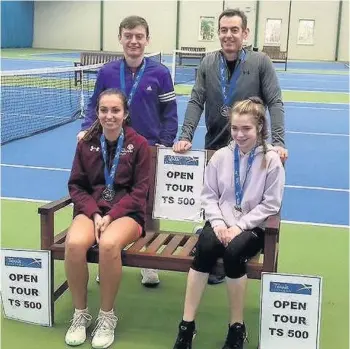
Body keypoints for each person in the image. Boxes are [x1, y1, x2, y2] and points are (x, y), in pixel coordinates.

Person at [173, 8, 287, 284]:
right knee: (214, 202)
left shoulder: (261, 62)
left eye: (234, 30)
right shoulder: (208, 62)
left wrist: (279, 142)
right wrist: (185, 134)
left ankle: (235, 254)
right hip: (215, 146)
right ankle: (212, 257)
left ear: (245, 33)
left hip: (251, 148)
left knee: (244, 204)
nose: (228, 35)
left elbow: (275, 102)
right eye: (223, 30)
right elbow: (196, 100)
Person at [172, 97, 285, 349]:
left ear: (260, 128)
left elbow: (271, 205)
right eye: (235, 128)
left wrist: (240, 226)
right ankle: (186, 327)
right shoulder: (222, 156)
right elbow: (209, 196)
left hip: (251, 228)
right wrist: (219, 223)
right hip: (221, 223)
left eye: (246, 128)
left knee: (234, 254)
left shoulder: (272, 161)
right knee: (205, 249)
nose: (240, 134)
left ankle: (236, 329)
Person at [78, 15, 178, 286]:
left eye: (139, 36)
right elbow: (92, 106)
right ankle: (108, 257)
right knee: (109, 202)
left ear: (147, 40)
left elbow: (169, 112)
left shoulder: (160, 73)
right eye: (128, 35)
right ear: (120, 38)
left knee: (149, 206)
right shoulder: (107, 72)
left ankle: (148, 260)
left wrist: (166, 143)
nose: (134, 41)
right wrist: (88, 130)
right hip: (108, 150)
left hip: (148, 151)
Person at [65, 89, 151, 348]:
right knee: (74, 244)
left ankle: (106, 316)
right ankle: (80, 314)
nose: (109, 115)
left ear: (125, 114)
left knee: (109, 244)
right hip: (91, 211)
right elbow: (76, 186)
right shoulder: (86, 143)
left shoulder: (139, 144)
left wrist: (111, 214)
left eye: (115, 110)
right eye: (104, 110)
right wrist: (93, 212)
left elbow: (140, 191)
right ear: (97, 112)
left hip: (127, 213)